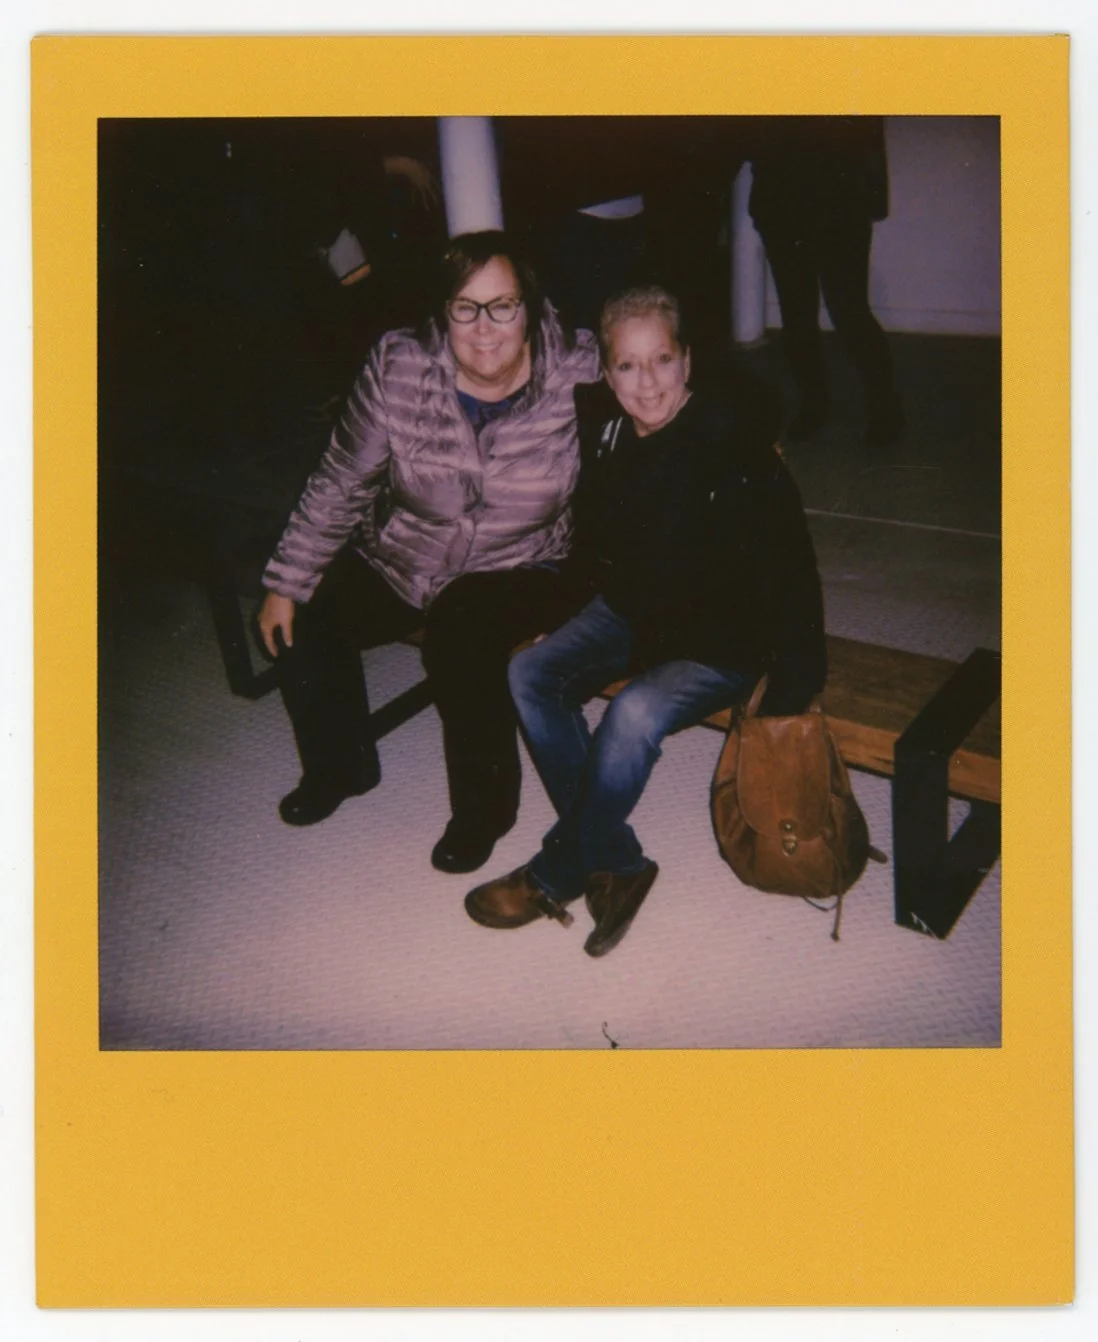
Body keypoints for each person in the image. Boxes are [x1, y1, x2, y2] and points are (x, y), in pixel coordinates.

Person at [464, 285, 827, 956]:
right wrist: (562, 618)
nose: (647, 382)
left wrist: (792, 684)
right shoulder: (606, 429)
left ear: (688, 362)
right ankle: (618, 859)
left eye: (662, 360)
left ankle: (560, 869)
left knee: (632, 713)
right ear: (608, 374)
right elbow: (593, 542)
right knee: (529, 671)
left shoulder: (730, 441)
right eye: (627, 366)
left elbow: (792, 568)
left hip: (722, 639)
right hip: (636, 613)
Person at [257, 230, 600, 873]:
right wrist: (288, 580)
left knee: (462, 627)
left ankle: (484, 811)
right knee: (309, 607)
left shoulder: (580, 367)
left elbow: (667, 396)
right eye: (465, 307)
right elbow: (341, 478)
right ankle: (341, 768)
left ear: (530, 307)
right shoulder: (399, 365)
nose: (485, 327)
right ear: (443, 312)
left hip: (526, 561)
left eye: (503, 305)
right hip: (408, 554)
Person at [747, 116, 904, 447]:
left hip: (839, 204)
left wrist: (872, 200)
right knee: (797, 316)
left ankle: (886, 407)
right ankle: (814, 403)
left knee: (849, 312)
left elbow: (867, 133)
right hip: (782, 207)